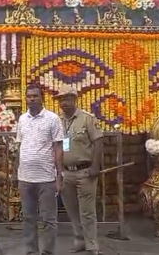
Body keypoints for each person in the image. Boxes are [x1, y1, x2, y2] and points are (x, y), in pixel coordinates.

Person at [55, 85, 104, 255]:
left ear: (75, 100)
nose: (64, 103)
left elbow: (98, 142)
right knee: (71, 209)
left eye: (67, 99)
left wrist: (95, 166)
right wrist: (59, 172)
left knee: (87, 211)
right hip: (66, 172)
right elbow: (57, 146)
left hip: (85, 172)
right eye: (61, 100)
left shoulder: (87, 119)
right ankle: (79, 240)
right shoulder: (58, 122)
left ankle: (92, 244)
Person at [16, 84, 64, 255]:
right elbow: (20, 145)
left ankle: (48, 251)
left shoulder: (53, 119)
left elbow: (58, 148)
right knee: (28, 217)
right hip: (25, 178)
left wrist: (59, 176)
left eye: (35, 96)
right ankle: (31, 251)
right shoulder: (22, 119)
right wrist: (18, 173)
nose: (32, 99)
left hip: (46, 178)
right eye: (29, 96)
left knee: (48, 219)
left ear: (42, 97)